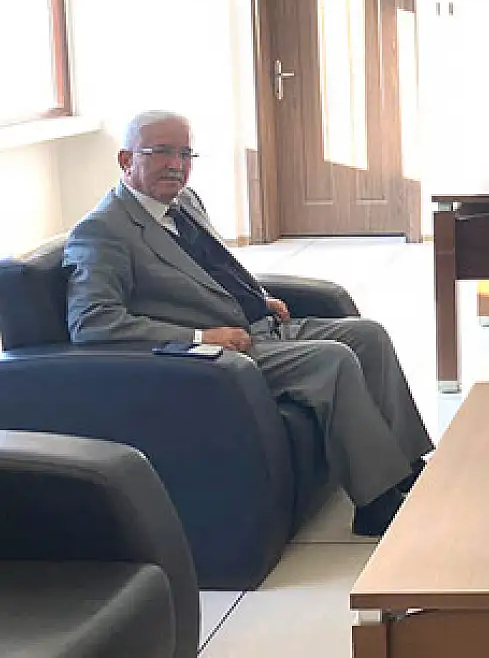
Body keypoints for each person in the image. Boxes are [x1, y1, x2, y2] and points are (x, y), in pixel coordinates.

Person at [63, 110, 434, 538]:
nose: (176, 165)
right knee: (332, 360)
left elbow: (211, 268)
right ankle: (376, 503)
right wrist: (200, 337)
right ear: (126, 159)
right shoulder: (102, 231)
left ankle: (408, 467)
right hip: (221, 354)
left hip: (260, 325)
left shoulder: (185, 203)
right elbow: (92, 322)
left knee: (368, 335)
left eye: (185, 153)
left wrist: (258, 296)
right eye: (161, 152)